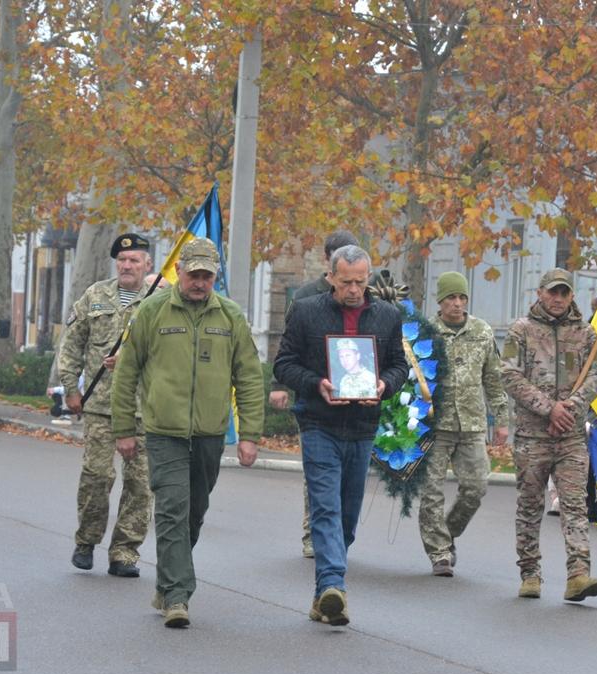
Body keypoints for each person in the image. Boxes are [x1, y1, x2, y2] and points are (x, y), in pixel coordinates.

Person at [112, 237, 264, 628]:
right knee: (172, 510)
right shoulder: (151, 311)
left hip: (210, 434)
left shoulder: (231, 317)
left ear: (215, 277)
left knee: (194, 513)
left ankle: (167, 581)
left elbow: (248, 377)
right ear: (179, 271)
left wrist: (249, 435)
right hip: (164, 432)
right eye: (193, 274)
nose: (199, 282)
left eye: (206, 276)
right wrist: (124, 428)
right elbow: (126, 372)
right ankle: (178, 596)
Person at [274, 244, 408, 626]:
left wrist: (384, 384)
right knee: (325, 505)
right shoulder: (306, 311)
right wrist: (316, 383)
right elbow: (284, 364)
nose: (354, 290)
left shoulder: (386, 316)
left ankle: (323, 596)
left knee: (348, 515)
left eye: (361, 282)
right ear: (330, 277)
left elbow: (399, 365)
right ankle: (335, 584)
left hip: (363, 426)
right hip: (319, 422)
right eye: (346, 282)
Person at [500, 268, 597, 602]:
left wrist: (570, 408)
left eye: (564, 293)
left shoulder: (587, 334)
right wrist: (548, 408)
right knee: (530, 504)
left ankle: (578, 574)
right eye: (552, 292)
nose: (558, 299)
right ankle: (530, 573)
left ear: (571, 296)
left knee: (575, 504)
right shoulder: (522, 331)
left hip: (571, 436)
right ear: (540, 293)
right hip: (533, 436)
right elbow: (510, 376)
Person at [58, 233, 154, 577]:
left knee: (141, 485)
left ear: (148, 265)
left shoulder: (160, 300)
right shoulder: (96, 295)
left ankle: (125, 552)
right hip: (100, 405)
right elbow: (72, 344)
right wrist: (71, 387)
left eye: (134, 260)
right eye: (122, 260)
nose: (127, 266)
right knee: (97, 477)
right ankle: (86, 541)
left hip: (146, 408)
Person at [269, 231, 359, 559]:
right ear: (328, 262)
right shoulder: (306, 298)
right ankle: (314, 533)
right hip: (315, 397)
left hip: (356, 400)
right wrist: (279, 386)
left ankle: (337, 535)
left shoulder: (364, 297)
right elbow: (287, 348)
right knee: (320, 471)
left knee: (349, 474)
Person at [417, 271, 508, 577]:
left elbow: (493, 379)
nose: (457, 304)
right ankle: (439, 552)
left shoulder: (481, 331)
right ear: (440, 301)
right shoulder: (425, 332)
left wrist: (501, 420)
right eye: (450, 298)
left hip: (471, 425)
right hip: (434, 426)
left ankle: (448, 531)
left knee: (476, 488)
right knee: (431, 492)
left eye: (461, 298)